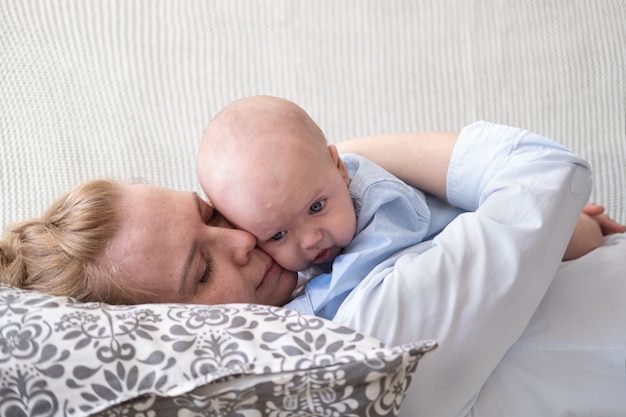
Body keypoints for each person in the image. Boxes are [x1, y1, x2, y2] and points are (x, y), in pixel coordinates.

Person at [1, 119, 625, 416]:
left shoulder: (328, 267)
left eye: (210, 214)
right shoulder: (355, 342)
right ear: (171, 335)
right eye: (200, 271)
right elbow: (549, 173)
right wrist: (341, 163)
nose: (243, 240)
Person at [197, 95, 619, 319]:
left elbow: (354, 282)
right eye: (277, 235)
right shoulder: (305, 200)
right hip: (485, 290)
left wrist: (299, 308)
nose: (310, 239)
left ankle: (586, 226)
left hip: (504, 237)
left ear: (339, 168)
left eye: (317, 206)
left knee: (577, 236)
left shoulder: (382, 205)